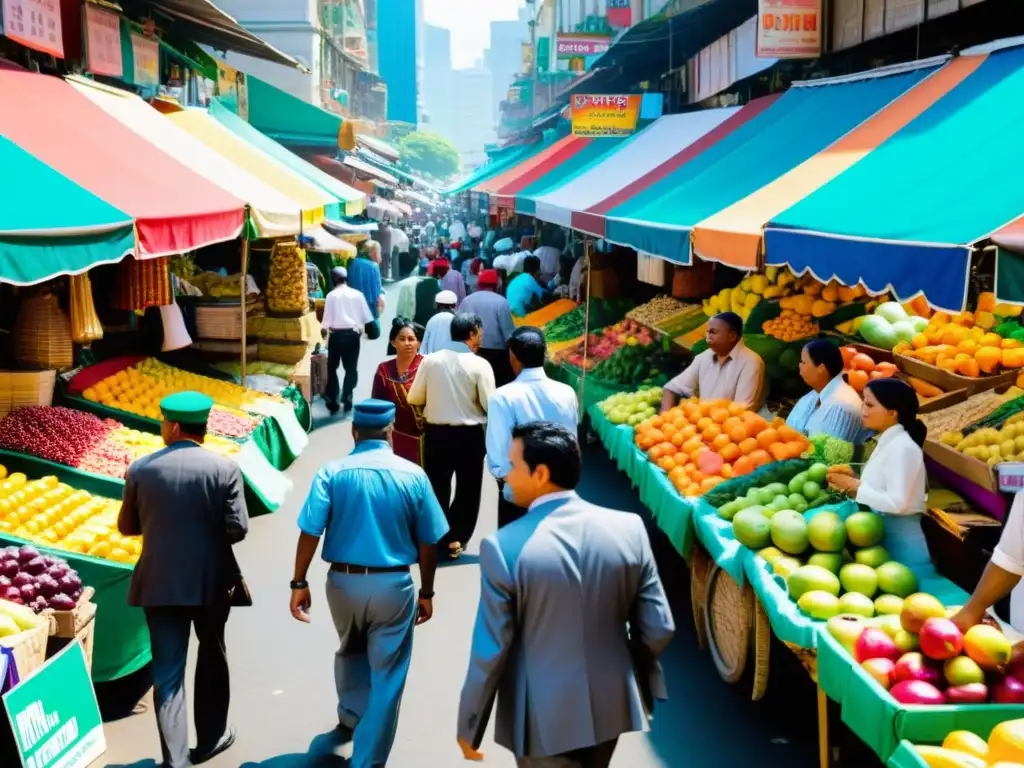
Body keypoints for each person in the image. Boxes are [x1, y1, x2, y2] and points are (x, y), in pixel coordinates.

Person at [458, 423, 675, 768]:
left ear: (540, 473)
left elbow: (491, 649)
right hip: (611, 704)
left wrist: (470, 724)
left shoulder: (503, 547)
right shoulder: (629, 529)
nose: (507, 474)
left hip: (541, 714)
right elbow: (659, 627)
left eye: (513, 465)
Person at [290, 399, 449, 768]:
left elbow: (310, 529)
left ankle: (351, 714)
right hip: (394, 586)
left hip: (342, 584)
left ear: (354, 431)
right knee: (388, 673)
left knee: (350, 647)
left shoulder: (332, 472)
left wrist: (298, 581)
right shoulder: (413, 476)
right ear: (391, 432)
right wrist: (427, 591)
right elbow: (429, 541)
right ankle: (367, 760)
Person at [118, 392, 248, 768]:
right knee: (212, 654)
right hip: (211, 583)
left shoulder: (141, 468)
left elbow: (127, 527)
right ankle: (211, 738)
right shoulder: (225, 468)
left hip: (159, 583)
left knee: (168, 672)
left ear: (173, 426)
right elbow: (237, 528)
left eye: (162, 423)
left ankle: (175, 761)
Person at [407, 312, 495, 559]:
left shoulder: (430, 361)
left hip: (437, 434)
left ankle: (434, 536)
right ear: (471, 333)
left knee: (437, 486)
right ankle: (456, 538)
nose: (480, 339)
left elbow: (414, 397)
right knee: (469, 488)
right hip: (470, 436)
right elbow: (490, 404)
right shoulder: (480, 364)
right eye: (479, 334)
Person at [827, 378, 929, 569]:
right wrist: (856, 473)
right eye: (863, 401)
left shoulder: (903, 448)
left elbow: (897, 502)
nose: (863, 409)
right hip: (881, 540)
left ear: (892, 413)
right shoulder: (887, 440)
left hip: (902, 552)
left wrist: (854, 486)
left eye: (870, 405)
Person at [486, 326, 579, 528]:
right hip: (558, 489)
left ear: (513, 356)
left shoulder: (503, 397)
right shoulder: (567, 392)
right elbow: (571, 440)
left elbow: (499, 453)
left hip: (519, 491)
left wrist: (509, 482)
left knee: (515, 553)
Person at [660, 312, 766, 413]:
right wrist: (664, 417)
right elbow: (672, 388)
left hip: (730, 427)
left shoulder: (751, 362)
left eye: (713, 332)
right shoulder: (704, 357)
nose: (708, 337)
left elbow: (741, 410)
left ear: (732, 336)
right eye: (708, 332)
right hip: (703, 421)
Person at [786, 339, 863, 442]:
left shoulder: (841, 407)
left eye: (804, 362)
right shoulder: (813, 395)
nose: (799, 366)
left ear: (821, 368)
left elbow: (824, 454)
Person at [372, 319, 425, 465]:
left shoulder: (426, 366)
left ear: (418, 343)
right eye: (402, 339)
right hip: (394, 433)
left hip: (424, 435)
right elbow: (377, 403)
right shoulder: (384, 370)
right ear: (393, 342)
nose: (407, 343)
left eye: (411, 339)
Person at [322, 267, 374, 415]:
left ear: (333, 278)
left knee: (331, 368)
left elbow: (326, 322)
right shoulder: (357, 294)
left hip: (336, 336)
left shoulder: (331, 296)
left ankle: (333, 400)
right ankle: (348, 395)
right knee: (351, 368)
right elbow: (367, 318)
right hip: (352, 335)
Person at [460, 269, 516, 387]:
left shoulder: (467, 300)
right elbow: (509, 334)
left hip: (471, 352)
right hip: (497, 356)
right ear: (496, 284)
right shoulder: (501, 302)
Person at [347, 244, 385, 322]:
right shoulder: (373, 266)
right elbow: (377, 290)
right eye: (379, 252)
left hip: (352, 305)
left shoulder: (351, 263)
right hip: (369, 306)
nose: (380, 256)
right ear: (372, 253)